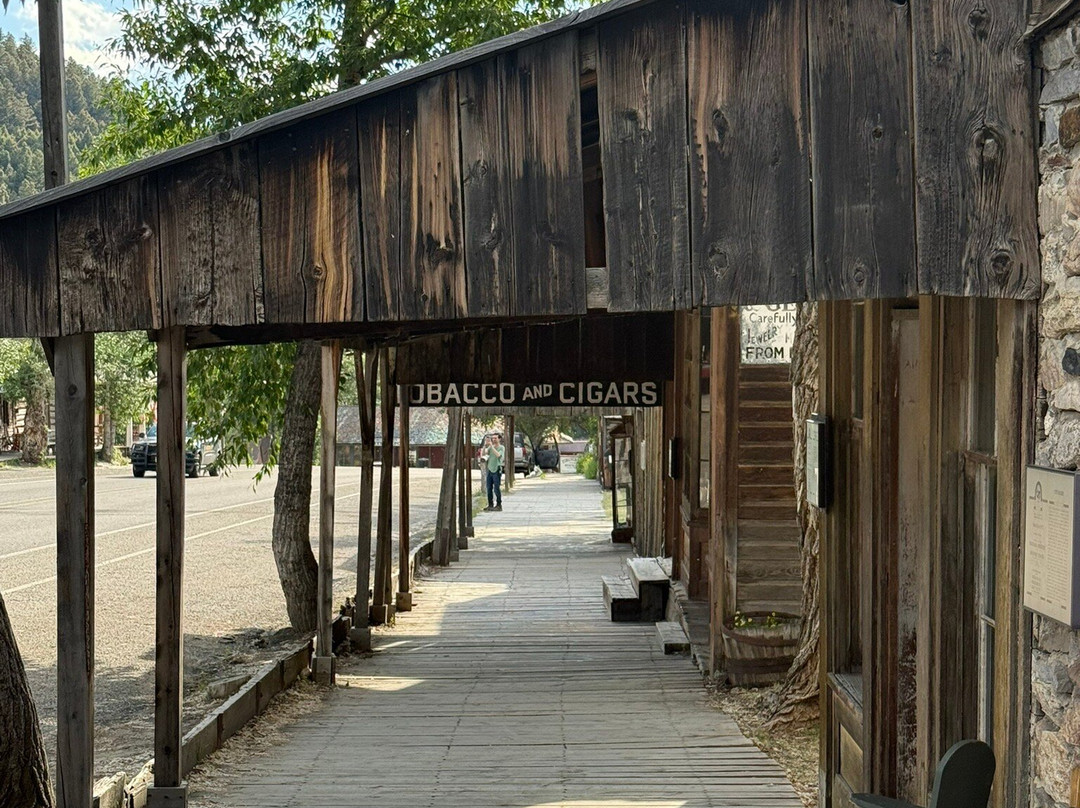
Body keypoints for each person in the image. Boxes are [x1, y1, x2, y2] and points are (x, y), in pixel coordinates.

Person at [483, 433, 505, 512]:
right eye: (492, 438)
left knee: (496, 488)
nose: (493, 440)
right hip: (490, 469)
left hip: (496, 469)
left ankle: (499, 505)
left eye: (495, 438)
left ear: (499, 439)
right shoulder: (490, 447)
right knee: (489, 488)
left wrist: (491, 447)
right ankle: (490, 504)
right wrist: (485, 446)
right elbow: (484, 453)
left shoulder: (501, 447)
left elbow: (498, 455)